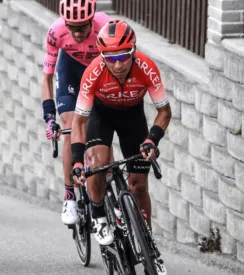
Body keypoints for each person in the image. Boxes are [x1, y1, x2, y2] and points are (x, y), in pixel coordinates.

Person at [70, 20, 170, 273]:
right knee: (99, 164)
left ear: (133, 51)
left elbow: (164, 112)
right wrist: (77, 161)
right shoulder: (93, 73)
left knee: (139, 185)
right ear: (102, 55)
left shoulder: (146, 67)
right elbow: (79, 121)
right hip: (100, 116)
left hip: (133, 118)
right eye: (109, 58)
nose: (117, 64)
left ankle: (148, 243)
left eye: (123, 56)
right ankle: (99, 217)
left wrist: (152, 139)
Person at [41, 0, 111, 226]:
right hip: (70, 72)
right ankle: (69, 195)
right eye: (72, 27)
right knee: (71, 128)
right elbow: (47, 77)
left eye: (83, 27)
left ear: (92, 20)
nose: (78, 33)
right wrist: (49, 116)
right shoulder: (56, 32)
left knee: (101, 129)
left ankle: (109, 186)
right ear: (65, 22)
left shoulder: (105, 27)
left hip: (99, 73)